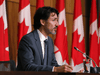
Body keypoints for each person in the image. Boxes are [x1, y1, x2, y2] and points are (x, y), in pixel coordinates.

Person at [17, 6, 73, 72]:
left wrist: (67, 69)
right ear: (42, 22)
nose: (57, 24)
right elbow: (28, 66)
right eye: (53, 20)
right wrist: (54, 69)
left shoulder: (49, 41)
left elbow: (53, 64)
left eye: (57, 20)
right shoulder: (28, 40)